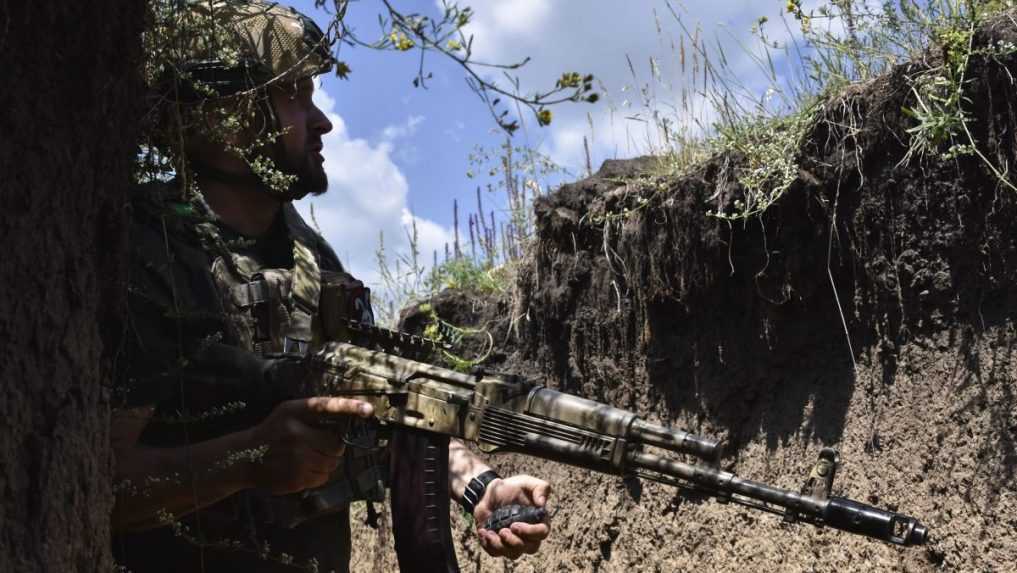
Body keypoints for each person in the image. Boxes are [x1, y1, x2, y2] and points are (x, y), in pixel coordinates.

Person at [112, 2, 550, 571]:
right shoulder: (151, 252)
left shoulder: (312, 261)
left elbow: (384, 409)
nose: (322, 121)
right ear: (230, 113)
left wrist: (478, 485)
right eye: (294, 94)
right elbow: (95, 483)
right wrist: (247, 459)